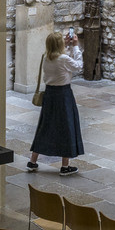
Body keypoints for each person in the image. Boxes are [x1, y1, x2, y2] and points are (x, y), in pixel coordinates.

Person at [27, 29, 85, 175]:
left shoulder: (45, 57)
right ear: (60, 45)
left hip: (50, 95)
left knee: (45, 126)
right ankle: (65, 166)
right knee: (66, 127)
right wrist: (76, 46)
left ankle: (32, 161)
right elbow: (78, 66)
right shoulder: (63, 59)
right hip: (63, 95)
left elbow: (59, 55)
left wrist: (64, 45)